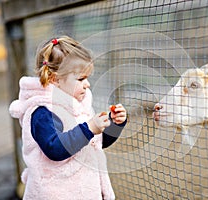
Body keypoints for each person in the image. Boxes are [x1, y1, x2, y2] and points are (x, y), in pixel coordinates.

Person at [9, 36, 127, 200]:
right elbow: (55, 149)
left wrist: (115, 124)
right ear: (54, 79)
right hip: (55, 193)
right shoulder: (42, 111)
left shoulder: (80, 105)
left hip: (85, 191)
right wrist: (89, 128)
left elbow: (95, 143)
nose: (87, 84)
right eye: (81, 79)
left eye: (87, 78)